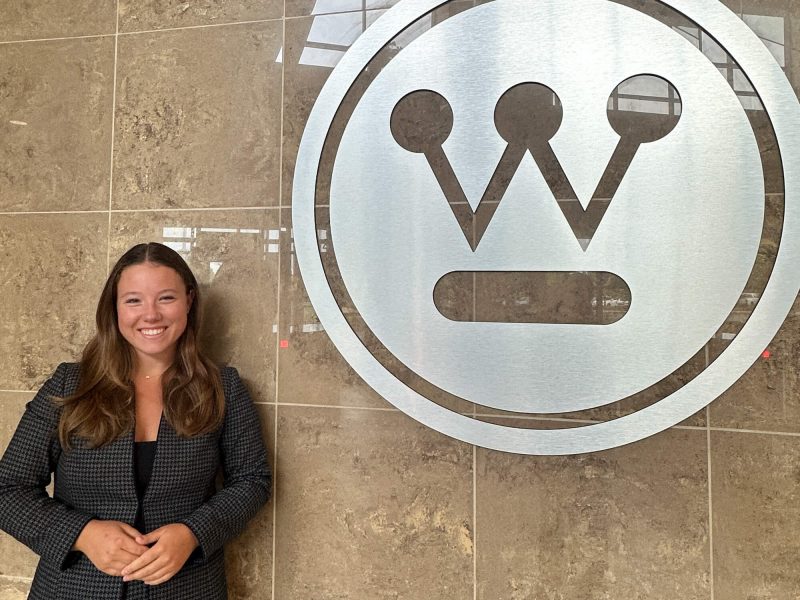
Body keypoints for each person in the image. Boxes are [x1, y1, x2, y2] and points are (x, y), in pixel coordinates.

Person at [0, 242, 271, 599]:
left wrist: (193, 533)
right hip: (72, 590)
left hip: (187, 588)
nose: (151, 315)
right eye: (133, 300)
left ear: (189, 300)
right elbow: (8, 488)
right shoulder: (70, 384)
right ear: (114, 308)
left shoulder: (223, 387)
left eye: (166, 298)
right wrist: (83, 534)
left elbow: (253, 481)